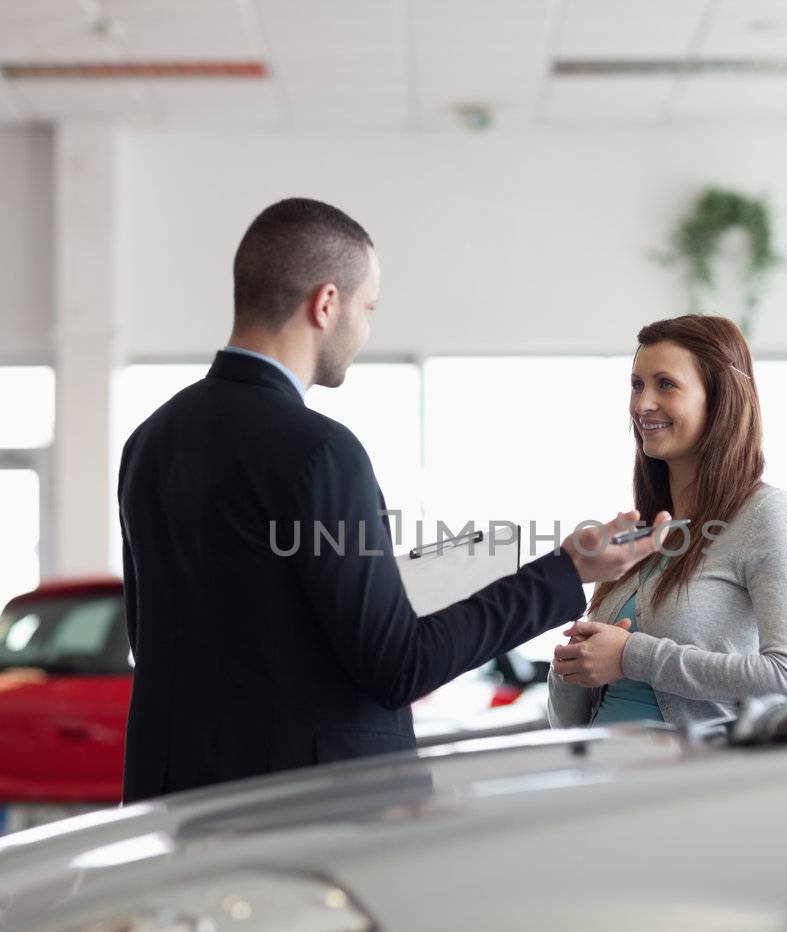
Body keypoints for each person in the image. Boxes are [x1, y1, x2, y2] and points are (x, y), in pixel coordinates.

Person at [118, 197, 664, 802]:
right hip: (305, 814)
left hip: (172, 802)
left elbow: (165, 639)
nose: (366, 330)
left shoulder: (150, 441)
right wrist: (566, 570)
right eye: (367, 308)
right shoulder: (319, 452)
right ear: (326, 304)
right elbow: (398, 664)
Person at [548, 314, 787, 732]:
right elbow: (576, 712)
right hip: (601, 779)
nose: (642, 404)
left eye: (666, 384)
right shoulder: (644, 530)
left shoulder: (768, 514)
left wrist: (630, 655)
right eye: (637, 384)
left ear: (719, 399)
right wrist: (573, 666)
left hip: (689, 787)